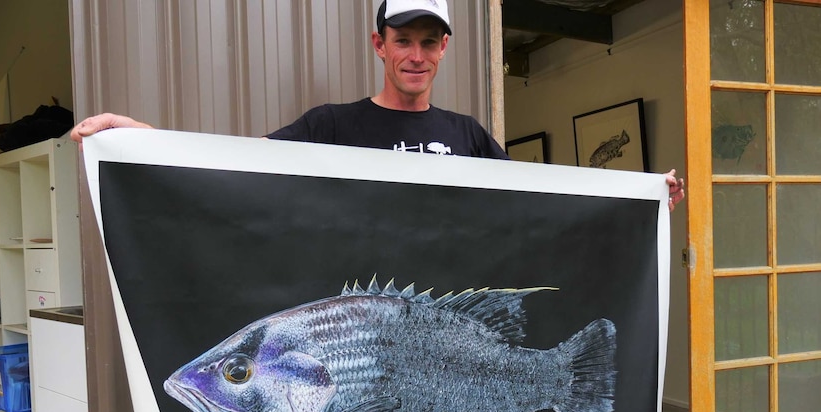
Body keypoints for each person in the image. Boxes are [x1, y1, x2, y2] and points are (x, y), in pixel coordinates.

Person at [70, 0, 685, 208]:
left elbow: (538, 195)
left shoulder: (467, 133)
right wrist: (144, 138)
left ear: (444, 48)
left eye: (427, 42)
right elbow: (241, 160)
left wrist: (644, 194)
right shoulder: (331, 124)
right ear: (379, 44)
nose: (414, 55)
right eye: (402, 41)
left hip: (443, 312)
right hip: (360, 323)